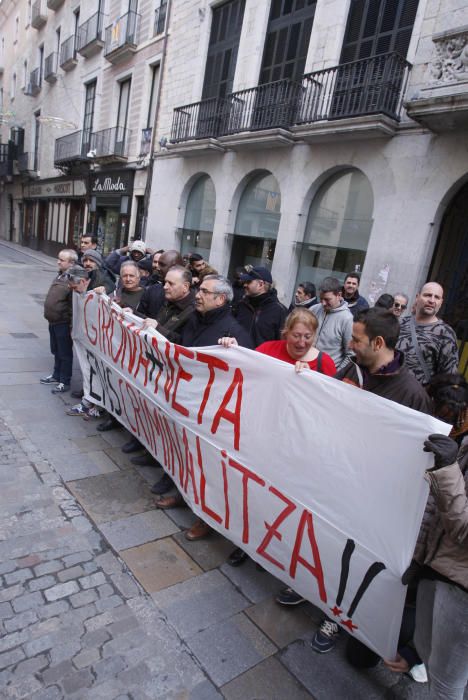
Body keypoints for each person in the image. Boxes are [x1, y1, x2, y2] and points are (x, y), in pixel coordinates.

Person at [276, 309, 433, 649]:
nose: (350, 344)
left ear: (378, 343)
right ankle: (310, 586)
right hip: (334, 479)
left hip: (369, 497)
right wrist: (307, 380)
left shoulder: (412, 395)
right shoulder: (354, 369)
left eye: (357, 339)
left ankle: (338, 613)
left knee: (350, 557)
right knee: (323, 541)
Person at [221, 308, 336, 567]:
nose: (301, 342)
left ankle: (275, 548)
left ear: (315, 336)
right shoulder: (269, 349)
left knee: (282, 500)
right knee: (254, 492)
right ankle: (246, 543)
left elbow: (332, 406)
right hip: (263, 436)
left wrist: (310, 382)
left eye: (308, 336)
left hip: (297, 446)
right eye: (296, 335)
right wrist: (232, 347)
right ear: (286, 333)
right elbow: (246, 369)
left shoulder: (324, 364)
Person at [385, 373, 468, 699]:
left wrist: (447, 468)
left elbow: (462, 528)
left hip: (461, 591)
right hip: (438, 567)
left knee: (447, 681)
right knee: (426, 649)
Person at [154, 275, 252, 540]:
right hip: (187, 400)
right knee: (184, 452)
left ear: (220, 299)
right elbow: (186, 349)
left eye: (204, 292)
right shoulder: (196, 318)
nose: (197, 295)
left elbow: (242, 376)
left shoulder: (235, 333)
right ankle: (182, 493)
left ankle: (205, 518)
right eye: (199, 290)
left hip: (210, 413)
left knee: (206, 464)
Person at [124, 266, 197, 473]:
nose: (164, 287)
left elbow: (184, 345)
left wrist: (158, 329)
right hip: (156, 366)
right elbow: (156, 324)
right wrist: (135, 315)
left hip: (172, 374)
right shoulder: (170, 301)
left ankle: (158, 456)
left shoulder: (192, 311)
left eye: (170, 284)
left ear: (185, 286)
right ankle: (144, 444)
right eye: (165, 282)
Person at [396, 282, 459, 385]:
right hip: (388, 391)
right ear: (417, 297)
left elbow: (448, 377)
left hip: (417, 398)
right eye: (428, 295)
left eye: (437, 297)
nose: (432, 300)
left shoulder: (446, 334)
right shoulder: (400, 323)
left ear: (441, 302)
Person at [40, 249, 78, 394]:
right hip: (53, 321)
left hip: (63, 322)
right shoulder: (61, 275)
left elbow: (74, 304)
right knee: (56, 350)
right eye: (59, 259)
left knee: (65, 353)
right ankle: (56, 375)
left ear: (71, 263)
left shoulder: (74, 278)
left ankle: (64, 381)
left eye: (61, 260)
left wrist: (70, 323)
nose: (58, 262)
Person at [235, 265, 288, 346]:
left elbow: (282, 344)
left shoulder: (279, 311)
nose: (244, 285)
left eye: (249, 282)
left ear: (260, 284)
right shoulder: (241, 304)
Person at [310, 277, 353, 370]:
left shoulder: (347, 319)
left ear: (339, 295)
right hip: (306, 367)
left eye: (327, 299)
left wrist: (336, 374)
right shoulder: (314, 309)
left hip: (328, 374)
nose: (323, 303)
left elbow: (351, 354)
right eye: (321, 299)